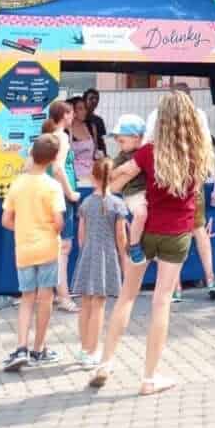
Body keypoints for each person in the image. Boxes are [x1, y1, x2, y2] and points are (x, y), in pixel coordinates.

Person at [89, 90, 215, 395]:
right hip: (178, 234)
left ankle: (105, 362)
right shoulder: (199, 152)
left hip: (145, 232)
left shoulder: (147, 152)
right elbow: (196, 188)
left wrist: (105, 185)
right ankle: (149, 378)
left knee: (127, 297)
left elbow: (115, 181)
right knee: (161, 303)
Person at [146, 83, 215, 304]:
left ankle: (176, 287)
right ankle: (210, 279)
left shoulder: (156, 115)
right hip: (191, 182)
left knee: (172, 232)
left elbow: (147, 145)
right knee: (198, 231)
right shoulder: (198, 116)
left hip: (166, 181)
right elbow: (207, 147)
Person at [1, 134, 66, 371]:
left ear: (32, 154)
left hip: (24, 249)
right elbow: (59, 222)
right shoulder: (53, 186)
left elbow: (6, 220)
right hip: (48, 247)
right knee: (45, 297)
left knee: (26, 299)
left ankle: (21, 348)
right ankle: (39, 349)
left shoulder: (18, 183)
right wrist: (50, 229)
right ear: (53, 158)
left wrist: (23, 227)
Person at [72, 157, 127, 370]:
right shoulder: (117, 205)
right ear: (112, 178)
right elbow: (121, 237)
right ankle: (93, 351)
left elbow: (81, 237)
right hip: (107, 256)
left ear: (93, 177)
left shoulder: (85, 203)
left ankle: (84, 348)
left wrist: (86, 251)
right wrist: (124, 259)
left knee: (85, 302)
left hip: (88, 255)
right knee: (99, 305)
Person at [43, 100, 81, 313]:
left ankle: (59, 292)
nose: (73, 116)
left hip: (52, 195)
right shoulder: (62, 137)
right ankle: (64, 296)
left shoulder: (49, 137)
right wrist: (70, 193)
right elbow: (58, 168)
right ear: (64, 115)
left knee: (58, 246)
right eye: (71, 113)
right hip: (62, 197)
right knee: (63, 247)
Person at [110, 113, 151, 265]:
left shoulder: (147, 150)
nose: (119, 145)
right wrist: (121, 170)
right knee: (140, 214)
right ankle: (134, 245)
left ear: (136, 137)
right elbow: (110, 174)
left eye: (122, 141)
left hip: (149, 192)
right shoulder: (123, 156)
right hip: (134, 193)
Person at [68, 96, 98, 181]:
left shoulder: (91, 126)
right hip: (74, 173)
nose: (84, 111)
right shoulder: (66, 129)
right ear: (72, 111)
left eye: (85, 108)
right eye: (80, 109)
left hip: (91, 171)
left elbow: (95, 151)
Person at [83, 88, 108, 157]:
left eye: (97, 98)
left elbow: (101, 141)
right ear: (84, 100)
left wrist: (105, 155)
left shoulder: (99, 120)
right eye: (91, 98)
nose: (94, 101)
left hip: (96, 157)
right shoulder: (79, 120)